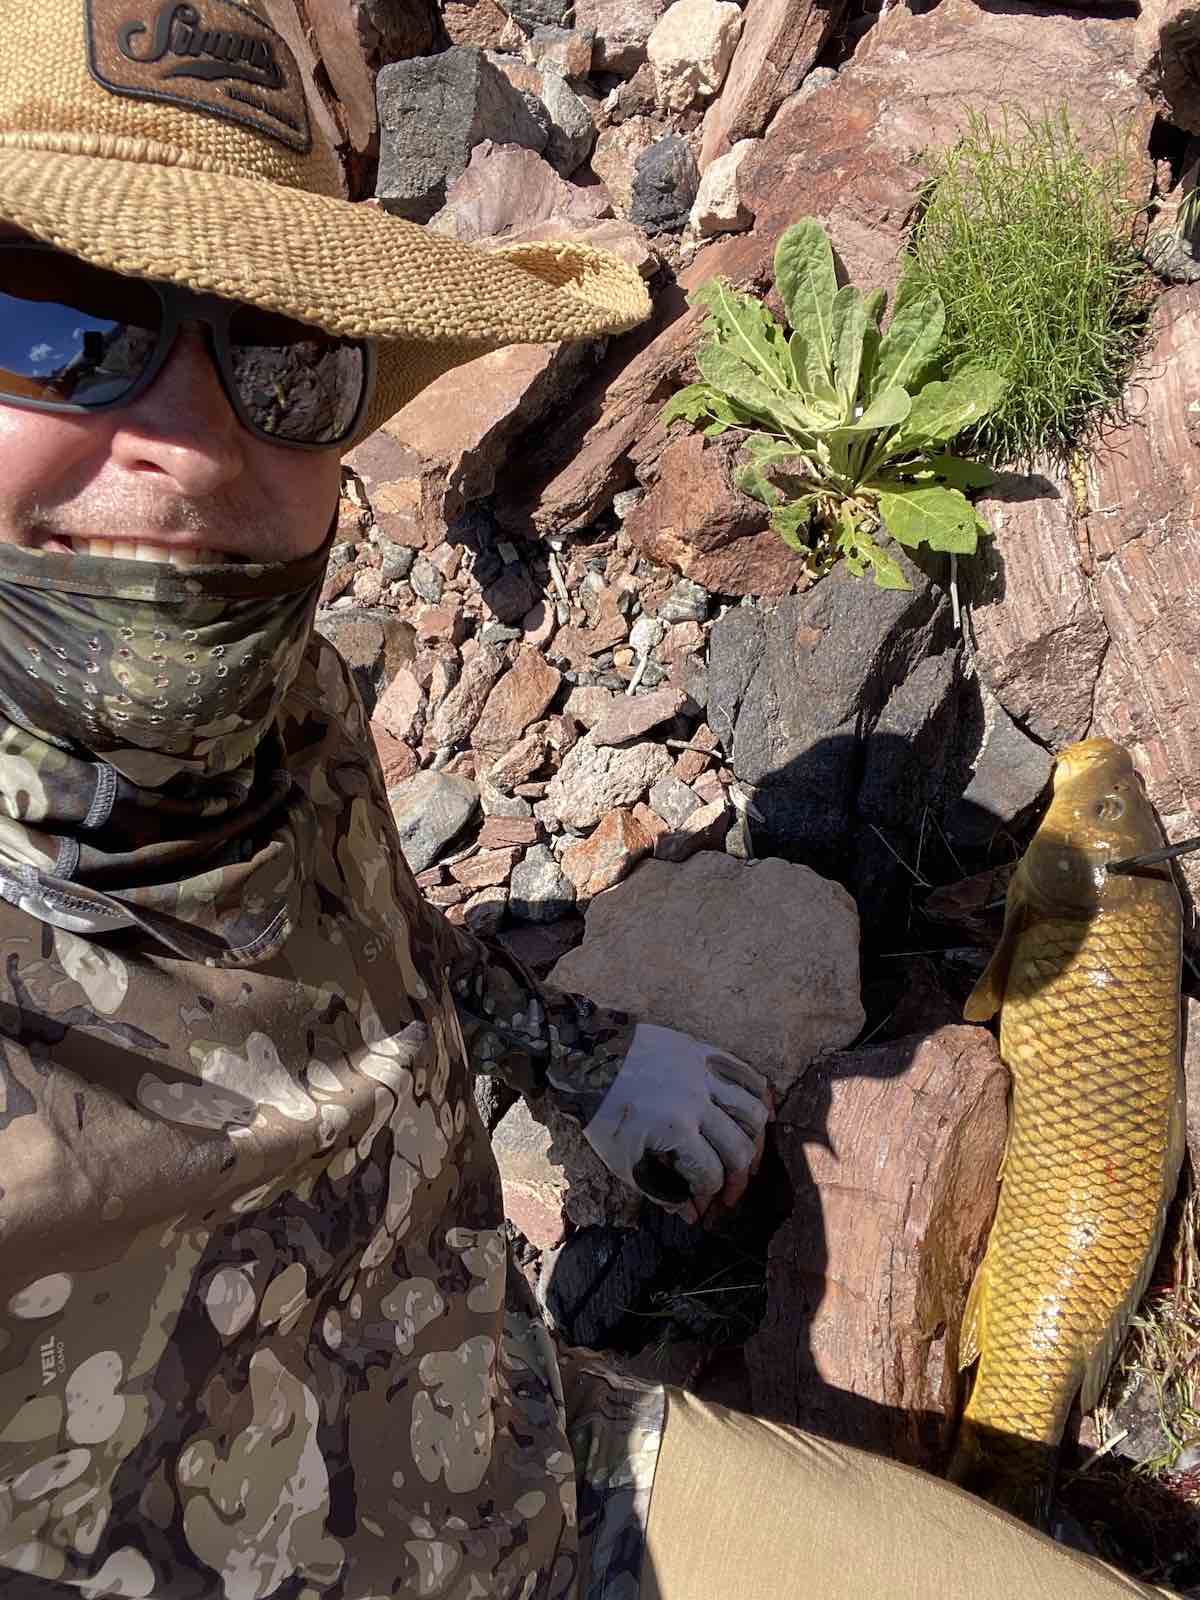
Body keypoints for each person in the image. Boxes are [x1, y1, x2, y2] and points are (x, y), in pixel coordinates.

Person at [0, 5, 1183, 1597]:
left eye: (281, 350)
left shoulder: (254, 679)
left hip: (521, 1458)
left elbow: (376, 949)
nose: (192, 448)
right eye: (53, 320)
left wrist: (574, 1051)